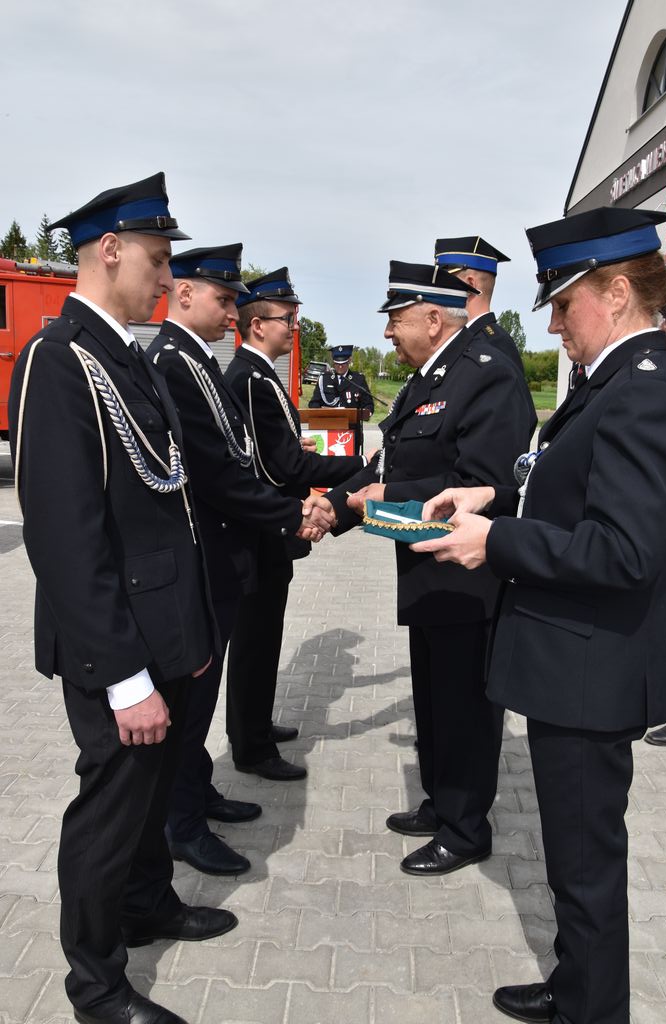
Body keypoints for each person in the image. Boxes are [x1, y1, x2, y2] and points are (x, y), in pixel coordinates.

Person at [413, 206, 666, 1024]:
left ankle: (593, 1009)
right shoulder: (615, 380)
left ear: (618, 292)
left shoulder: (643, 388)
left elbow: (623, 549)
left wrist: (497, 542)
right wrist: (492, 496)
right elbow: (573, 491)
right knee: (571, 862)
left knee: (587, 867)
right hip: (575, 667)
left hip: (591, 674)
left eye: (564, 304)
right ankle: (575, 985)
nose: (554, 325)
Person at [8, 174, 236, 1024]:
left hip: (164, 627)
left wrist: (191, 634)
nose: (168, 279)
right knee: (108, 811)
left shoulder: (126, 357)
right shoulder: (58, 360)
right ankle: (96, 987)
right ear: (109, 250)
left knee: (150, 794)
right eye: (158, 259)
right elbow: (64, 539)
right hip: (117, 643)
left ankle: (148, 905)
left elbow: (170, 505)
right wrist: (126, 675)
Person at [325, 260, 533, 875]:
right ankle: (442, 802)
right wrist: (337, 506)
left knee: (465, 706)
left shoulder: (487, 374)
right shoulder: (430, 376)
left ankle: (466, 829)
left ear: (434, 317)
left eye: (396, 319)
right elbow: (387, 463)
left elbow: (483, 483)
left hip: (468, 578)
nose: (388, 332)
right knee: (436, 700)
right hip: (426, 569)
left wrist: (381, 498)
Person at [146, 244, 333, 875]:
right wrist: (293, 514)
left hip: (227, 552)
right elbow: (217, 474)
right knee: (191, 703)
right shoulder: (173, 363)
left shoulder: (198, 360)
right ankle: (182, 825)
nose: (233, 313)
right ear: (185, 294)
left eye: (235, 301)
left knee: (200, 699)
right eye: (224, 299)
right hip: (207, 555)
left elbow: (237, 460)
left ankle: (196, 793)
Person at [223, 268, 367, 780]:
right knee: (254, 643)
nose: (293, 328)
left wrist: (293, 450)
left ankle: (256, 725)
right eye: (287, 318)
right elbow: (287, 468)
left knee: (264, 639)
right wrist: (361, 467)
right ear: (258, 324)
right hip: (261, 534)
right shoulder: (251, 379)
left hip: (268, 533)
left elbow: (272, 453)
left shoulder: (259, 375)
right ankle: (251, 746)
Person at [434, 234, 537, 436]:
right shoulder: (463, 341)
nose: (434, 290)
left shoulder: (493, 343)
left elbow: (512, 425)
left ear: (470, 285)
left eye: (442, 282)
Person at [308, 344, 374, 454]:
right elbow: (313, 403)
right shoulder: (324, 379)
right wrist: (321, 412)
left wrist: (366, 413)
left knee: (350, 463)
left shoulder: (358, 379)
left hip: (351, 432)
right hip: (328, 431)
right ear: (333, 362)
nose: (340, 367)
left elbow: (368, 404)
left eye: (343, 363)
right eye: (337, 363)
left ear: (349, 361)